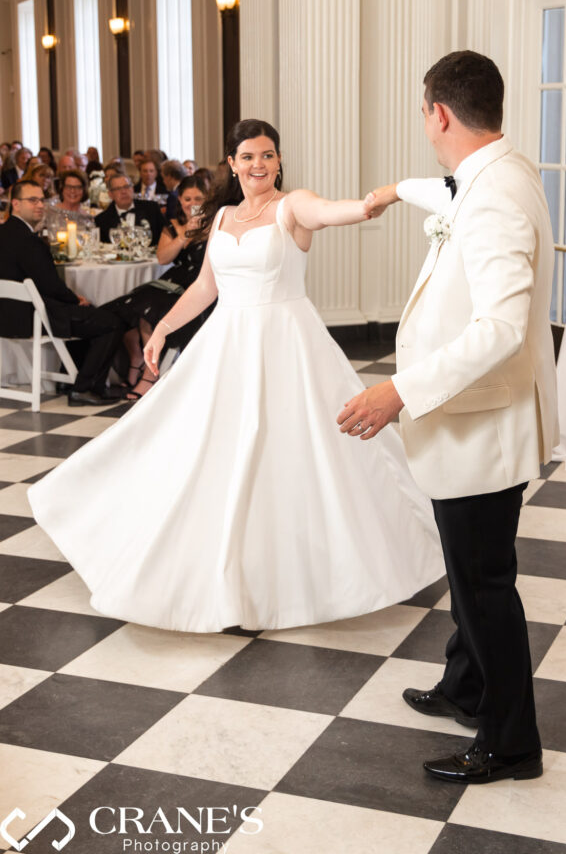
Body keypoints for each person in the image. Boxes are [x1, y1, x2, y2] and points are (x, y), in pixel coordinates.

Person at [28, 118, 443, 633]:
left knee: (295, 450)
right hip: (227, 343)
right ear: (232, 162)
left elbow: (335, 213)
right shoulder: (222, 216)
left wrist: (376, 200)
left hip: (288, 343)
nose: (258, 164)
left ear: (278, 159)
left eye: (267, 155)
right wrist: (160, 330)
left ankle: (304, 572)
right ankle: (221, 569)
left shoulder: (293, 206)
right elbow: (206, 288)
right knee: (211, 446)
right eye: (248, 156)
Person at [341, 51, 558, 785]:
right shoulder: (501, 170)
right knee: (471, 573)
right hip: (476, 422)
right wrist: (394, 192)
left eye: (422, 112)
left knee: (482, 582)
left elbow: (498, 328)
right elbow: (447, 195)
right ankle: (465, 686)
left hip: (477, 425)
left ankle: (509, 743)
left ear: (437, 113)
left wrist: (397, 391)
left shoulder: (491, 195)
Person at [0, 181, 127, 406]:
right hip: (30, 318)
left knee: (85, 316)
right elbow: (51, 286)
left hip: (6, 316)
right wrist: (75, 298)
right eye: (33, 200)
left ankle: (70, 381)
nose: (40, 205)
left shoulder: (5, 232)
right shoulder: (28, 241)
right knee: (111, 322)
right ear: (16, 204)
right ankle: (84, 388)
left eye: (42, 200)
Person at [110, 174, 212, 399]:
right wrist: (186, 232)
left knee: (149, 307)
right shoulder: (174, 225)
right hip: (173, 280)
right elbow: (163, 258)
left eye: (198, 198)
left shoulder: (217, 224)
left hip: (200, 284)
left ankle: (148, 373)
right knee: (135, 305)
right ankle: (144, 364)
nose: (192, 204)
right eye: (187, 199)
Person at [95, 172, 166, 245]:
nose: (123, 192)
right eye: (118, 189)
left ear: (132, 188)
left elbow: (166, 237)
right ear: (110, 194)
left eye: (126, 187)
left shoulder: (151, 209)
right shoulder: (101, 220)